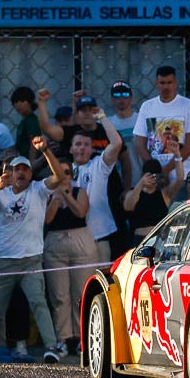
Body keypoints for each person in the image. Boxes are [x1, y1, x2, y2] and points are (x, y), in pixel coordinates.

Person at [0, 137, 67, 362]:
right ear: (10, 172)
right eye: (17, 169)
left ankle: (51, 349)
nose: (21, 173)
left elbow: (59, 177)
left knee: (39, 304)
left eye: (25, 169)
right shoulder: (2, 194)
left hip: (31, 260)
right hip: (4, 261)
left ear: (30, 173)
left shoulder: (38, 189)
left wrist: (45, 151)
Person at [41, 154, 91, 362]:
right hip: (55, 241)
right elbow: (47, 219)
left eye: (66, 173)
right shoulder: (47, 195)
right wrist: (56, 199)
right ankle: (62, 338)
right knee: (59, 295)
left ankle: (82, 338)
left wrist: (68, 196)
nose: (63, 178)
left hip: (80, 239)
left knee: (81, 293)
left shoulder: (80, 191)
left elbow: (81, 212)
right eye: (58, 174)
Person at [67, 106, 125, 264]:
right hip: (73, 238)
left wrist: (102, 117)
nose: (82, 148)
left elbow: (117, 143)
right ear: (71, 149)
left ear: (92, 149)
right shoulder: (63, 171)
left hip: (99, 236)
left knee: (101, 285)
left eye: (86, 145)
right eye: (78, 144)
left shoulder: (99, 166)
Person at [134, 66, 190, 169]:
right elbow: (139, 143)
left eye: (169, 83)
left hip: (181, 173)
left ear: (175, 83)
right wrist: (155, 169)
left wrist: (167, 170)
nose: (166, 87)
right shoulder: (147, 106)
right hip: (154, 176)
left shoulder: (188, 105)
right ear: (156, 83)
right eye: (162, 83)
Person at [124, 159, 186, 238]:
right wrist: (141, 183)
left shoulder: (164, 194)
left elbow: (180, 179)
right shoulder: (134, 193)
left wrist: (177, 155)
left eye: (156, 176)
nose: (153, 179)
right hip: (141, 239)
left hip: (160, 238)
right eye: (150, 176)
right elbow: (128, 206)